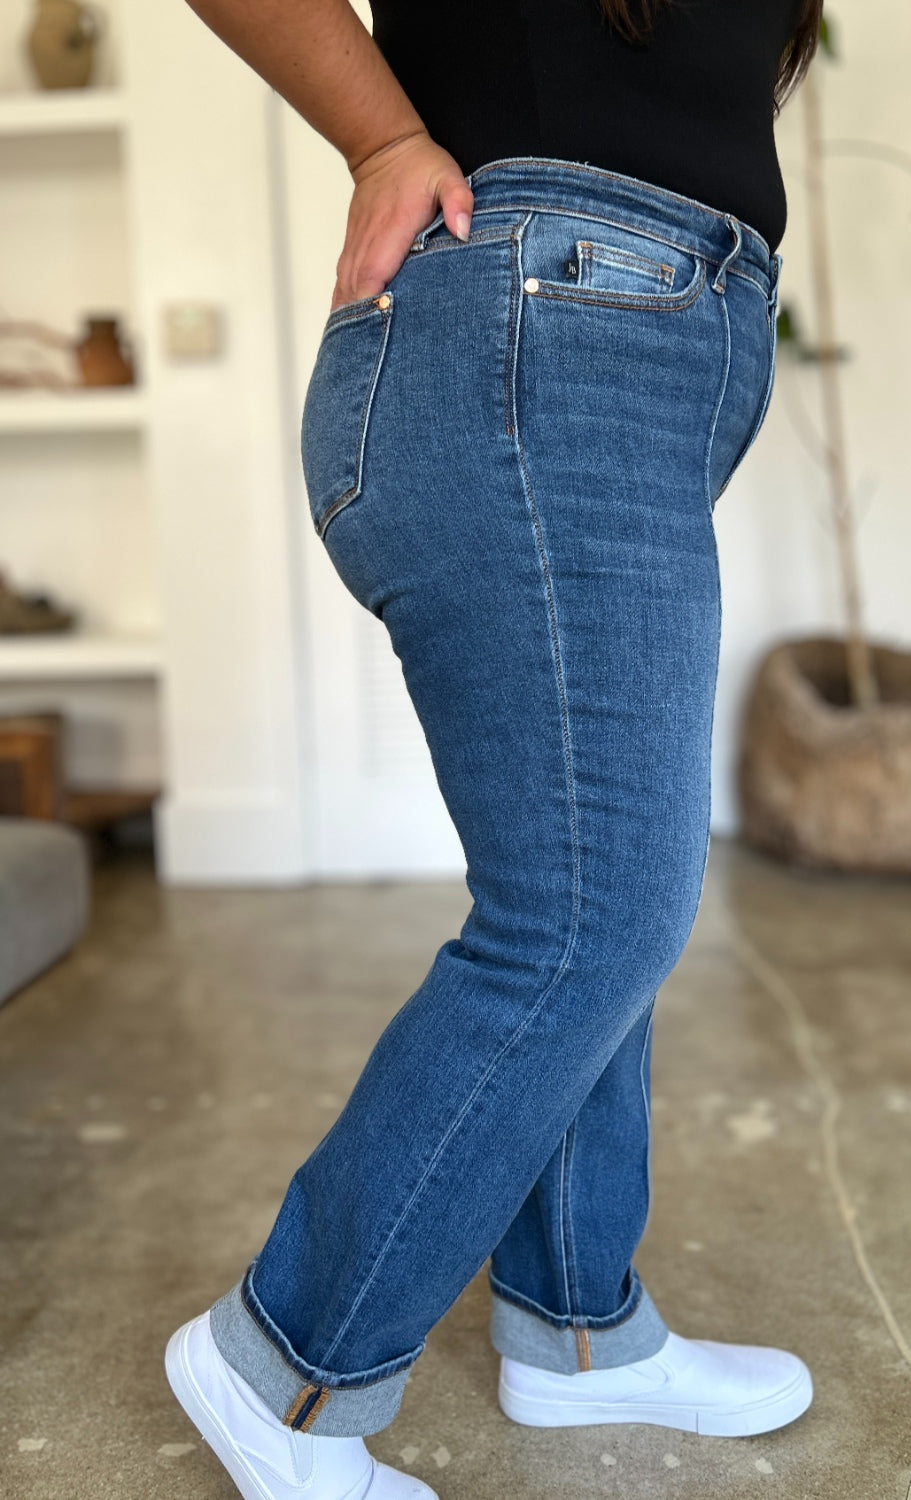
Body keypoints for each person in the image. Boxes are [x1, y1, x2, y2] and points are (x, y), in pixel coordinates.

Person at [164, 2, 823, 1496]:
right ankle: (283, 1366)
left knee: (600, 881)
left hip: (631, 344)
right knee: (591, 915)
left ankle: (578, 1328)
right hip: (539, 326)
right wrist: (383, 132)